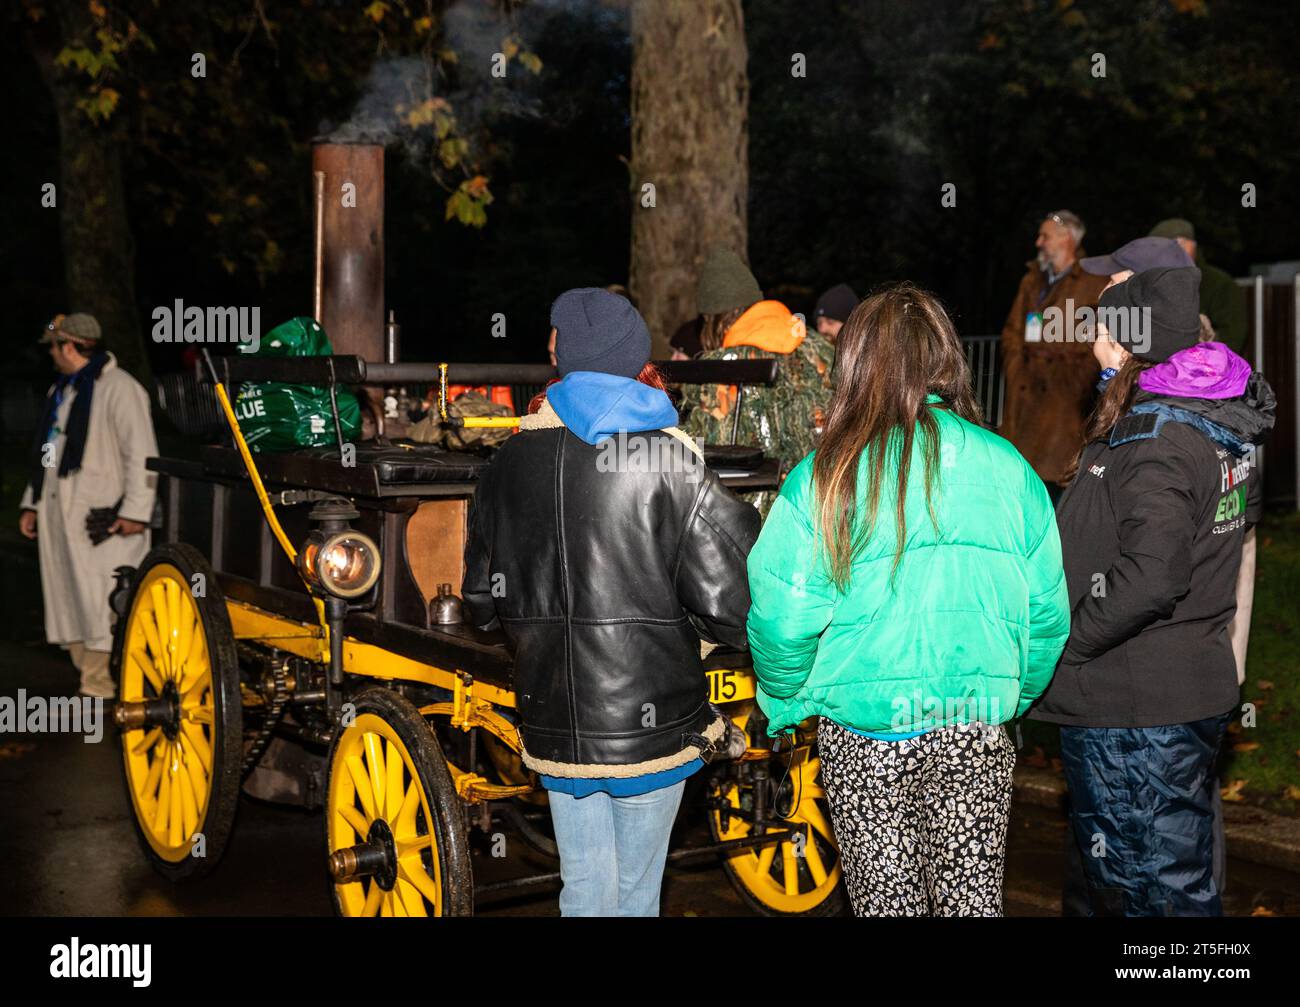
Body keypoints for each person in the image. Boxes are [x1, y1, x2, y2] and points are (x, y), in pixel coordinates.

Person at [745, 283, 1070, 917]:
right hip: (974, 722)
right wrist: (1007, 694)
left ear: (856, 363)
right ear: (946, 358)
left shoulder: (825, 475)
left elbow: (784, 616)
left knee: (885, 904)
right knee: (972, 904)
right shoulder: (1009, 467)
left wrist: (787, 700)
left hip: (867, 732)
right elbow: (1048, 616)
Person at [463, 287, 759, 917]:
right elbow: (733, 604)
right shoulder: (671, 459)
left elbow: (481, 604)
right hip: (653, 723)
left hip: (556, 719)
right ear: (634, 357)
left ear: (563, 358)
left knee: (586, 888)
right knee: (635, 893)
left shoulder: (507, 460)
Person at [1028, 266, 1274, 916]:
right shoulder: (1212, 420)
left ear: (1127, 338)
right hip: (1176, 693)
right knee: (1142, 881)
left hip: (1137, 711)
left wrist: (1070, 642)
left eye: (1101, 326)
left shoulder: (1159, 437)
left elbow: (1155, 572)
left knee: (1152, 894)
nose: (1091, 340)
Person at [19, 313, 158, 699]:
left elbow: (141, 454)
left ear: (69, 346)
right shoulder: (61, 393)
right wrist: (32, 502)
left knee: (100, 602)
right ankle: (95, 680)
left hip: (104, 520)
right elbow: (47, 453)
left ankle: (100, 686)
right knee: (69, 598)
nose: (51, 355)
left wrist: (135, 511)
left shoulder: (120, 388)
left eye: (53, 347)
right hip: (59, 515)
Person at [679, 246, 835, 513]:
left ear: (713, 319)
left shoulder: (719, 368)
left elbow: (703, 453)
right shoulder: (819, 349)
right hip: (823, 507)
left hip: (756, 521)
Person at [999, 210, 1109, 489]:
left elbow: (1096, 339)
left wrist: (1075, 380)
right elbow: (1012, 331)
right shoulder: (1032, 281)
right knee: (1020, 481)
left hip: (1063, 408)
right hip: (1024, 400)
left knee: (1057, 483)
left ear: (1067, 239)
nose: (1038, 243)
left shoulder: (1093, 282)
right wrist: (1016, 368)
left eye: (1045, 236)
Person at [1150, 218, 1247, 352]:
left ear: (1188, 246)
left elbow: (1232, 338)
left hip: (1208, 369)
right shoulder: (1158, 283)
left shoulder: (1218, 284)